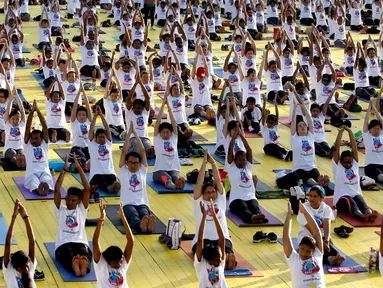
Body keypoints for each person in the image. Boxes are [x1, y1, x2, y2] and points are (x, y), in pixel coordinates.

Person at [192, 151, 236, 270]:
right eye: (207, 192)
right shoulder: (199, 201)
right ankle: (218, 258)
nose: (211, 194)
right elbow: (199, 182)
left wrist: (213, 163)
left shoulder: (220, 199)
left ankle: (228, 257)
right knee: (209, 254)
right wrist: (204, 163)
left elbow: (217, 181)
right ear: (203, 193)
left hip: (222, 238)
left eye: (212, 191)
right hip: (204, 239)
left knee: (227, 250)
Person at [54, 154, 92, 277]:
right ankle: (75, 264)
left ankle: (81, 264)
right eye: (68, 199)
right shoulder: (61, 209)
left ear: (79, 201)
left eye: (73, 200)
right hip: (63, 244)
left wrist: (78, 167)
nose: (69, 202)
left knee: (84, 255)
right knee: (68, 256)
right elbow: (57, 190)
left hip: (81, 243)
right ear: (65, 198)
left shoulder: (82, 209)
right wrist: (64, 169)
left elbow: (87, 189)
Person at [333, 124, 378, 222]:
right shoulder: (338, 166)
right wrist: (340, 132)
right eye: (346, 162)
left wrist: (350, 132)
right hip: (341, 198)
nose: (349, 164)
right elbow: (336, 149)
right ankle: (362, 216)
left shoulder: (354, 164)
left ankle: (369, 214)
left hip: (355, 193)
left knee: (361, 201)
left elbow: (354, 148)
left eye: (350, 162)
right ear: (341, 161)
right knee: (351, 202)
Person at [120, 123, 156, 233]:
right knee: (133, 214)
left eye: (135, 163)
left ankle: (147, 224)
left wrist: (135, 134)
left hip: (142, 203)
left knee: (144, 214)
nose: (133, 165)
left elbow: (143, 151)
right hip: (127, 204)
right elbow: (124, 151)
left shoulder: (142, 170)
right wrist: (129, 136)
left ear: (139, 164)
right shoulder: (123, 171)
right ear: (126, 163)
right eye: (130, 162)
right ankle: (142, 226)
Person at [297, 186, 346, 266]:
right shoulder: (304, 208)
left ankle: (336, 256)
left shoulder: (326, 208)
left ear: (321, 198)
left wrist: (326, 239)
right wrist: (320, 241)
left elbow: (327, 224)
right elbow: (310, 228)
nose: (312, 198)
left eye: (315, 196)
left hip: (321, 236)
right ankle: (328, 259)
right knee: (311, 250)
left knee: (328, 245)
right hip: (307, 237)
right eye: (310, 196)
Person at [227, 129, 267, 224]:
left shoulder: (248, 167)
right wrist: (234, 137)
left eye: (244, 160)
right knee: (243, 207)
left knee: (255, 206)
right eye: (239, 160)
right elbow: (230, 149)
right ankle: (252, 217)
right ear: (235, 160)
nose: (242, 162)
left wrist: (241, 136)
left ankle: (258, 216)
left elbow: (249, 150)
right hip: (236, 199)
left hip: (250, 197)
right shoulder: (232, 167)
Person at [283, 201, 325, 287]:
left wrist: (305, 212)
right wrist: (289, 215)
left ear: (313, 251)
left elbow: (317, 232)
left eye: (308, 251)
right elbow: (286, 236)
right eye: (302, 249)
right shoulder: (293, 258)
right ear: (299, 246)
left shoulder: (318, 255)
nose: (304, 253)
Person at [93, 201, 133, 287]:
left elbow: (131, 242)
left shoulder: (123, 264)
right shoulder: (101, 264)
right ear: (107, 260)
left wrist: (123, 218)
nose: (119, 264)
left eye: (120, 261)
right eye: (115, 262)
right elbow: (95, 242)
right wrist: (101, 219)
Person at [152, 94, 186, 190]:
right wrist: (163, 105)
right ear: (160, 133)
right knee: (167, 178)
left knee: (175, 177)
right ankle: (174, 186)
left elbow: (174, 122)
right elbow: (158, 121)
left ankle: (179, 183)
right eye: (163, 132)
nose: (166, 134)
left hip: (173, 169)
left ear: (171, 133)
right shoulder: (157, 138)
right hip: (159, 171)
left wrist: (170, 108)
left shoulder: (173, 138)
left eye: (168, 132)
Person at [194, 199, 228, 288]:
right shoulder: (201, 263)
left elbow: (221, 238)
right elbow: (200, 240)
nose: (220, 260)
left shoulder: (220, 262)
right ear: (208, 260)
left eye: (220, 257)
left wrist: (214, 215)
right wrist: (204, 216)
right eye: (217, 259)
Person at [3, 199, 36, 288]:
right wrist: (13, 218)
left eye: (26, 266)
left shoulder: (29, 267)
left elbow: (32, 241)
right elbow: (7, 243)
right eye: (22, 268)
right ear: (14, 267)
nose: (26, 269)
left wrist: (26, 217)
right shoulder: (9, 269)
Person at [88, 106, 121, 197]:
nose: (102, 139)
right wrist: (95, 116)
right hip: (96, 174)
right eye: (100, 137)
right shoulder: (93, 144)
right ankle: (109, 188)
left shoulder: (108, 143)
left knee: (112, 179)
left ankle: (113, 186)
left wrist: (102, 115)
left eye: (104, 137)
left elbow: (107, 128)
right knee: (101, 180)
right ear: (95, 137)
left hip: (110, 173)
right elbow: (91, 129)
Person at [24, 100, 53, 196]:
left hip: (44, 172)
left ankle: (46, 187)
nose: (33, 140)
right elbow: (27, 127)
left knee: (47, 180)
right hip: (32, 173)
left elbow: (44, 126)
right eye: (32, 138)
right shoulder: (28, 144)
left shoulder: (44, 144)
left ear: (41, 138)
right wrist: (32, 112)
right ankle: (38, 189)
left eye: (36, 138)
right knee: (33, 182)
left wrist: (38, 111)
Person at [69, 83, 92, 171]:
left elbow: (88, 107)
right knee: (81, 157)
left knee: (92, 157)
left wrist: (84, 93)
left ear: (86, 116)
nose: (82, 116)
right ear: (76, 116)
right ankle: (84, 165)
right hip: (76, 148)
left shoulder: (88, 122)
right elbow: (75, 106)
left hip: (87, 148)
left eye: (83, 115)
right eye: (79, 115)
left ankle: (86, 164)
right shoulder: (74, 122)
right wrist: (79, 92)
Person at [3, 85, 26, 169]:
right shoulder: (8, 124)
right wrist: (11, 98)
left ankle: (21, 163)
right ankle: (17, 162)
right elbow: (8, 110)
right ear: (10, 119)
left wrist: (17, 96)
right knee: (14, 157)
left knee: (23, 156)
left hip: (20, 148)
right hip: (9, 148)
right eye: (13, 119)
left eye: (17, 119)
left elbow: (22, 109)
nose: (16, 121)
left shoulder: (22, 124)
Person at [45, 76, 71, 143]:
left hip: (61, 127)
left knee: (68, 133)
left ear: (59, 98)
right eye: (54, 96)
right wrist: (53, 82)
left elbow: (62, 92)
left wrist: (58, 82)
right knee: (53, 133)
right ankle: (53, 138)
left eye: (57, 96)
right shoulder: (49, 103)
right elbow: (48, 92)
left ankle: (64, 138)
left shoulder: (62, 103)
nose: (56, 97)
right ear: (51, 97)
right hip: (51, 127)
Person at [364, 96, 383, 182]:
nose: (377, 130)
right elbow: (366, 120)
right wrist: (369, 107)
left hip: (382, 165)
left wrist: (374, 106)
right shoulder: (367, 135)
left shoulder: (381, 135)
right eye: (375, 128)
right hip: (371, 166)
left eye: (378, 128)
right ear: (370, 129)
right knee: (381, 177)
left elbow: (380, 119)